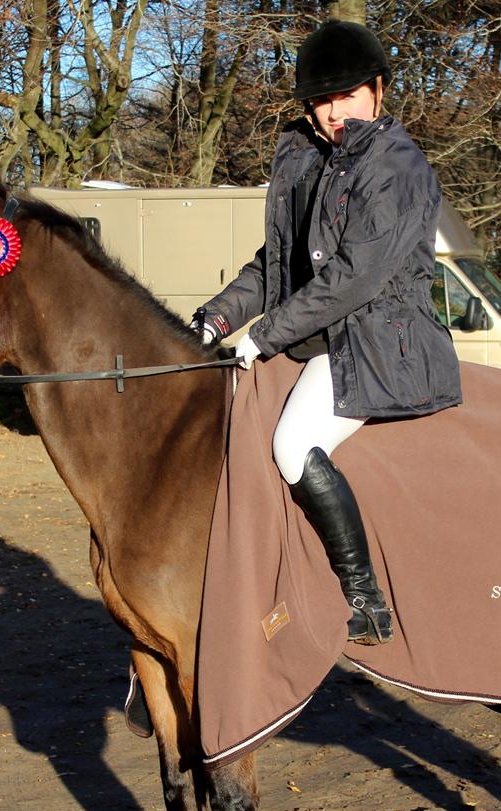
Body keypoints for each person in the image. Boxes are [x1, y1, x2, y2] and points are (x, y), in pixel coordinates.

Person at [195, 19, 462, 645]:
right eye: (322, 99)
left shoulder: (394, 165)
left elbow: (354, 276)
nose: (334, 110)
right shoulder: (309, 159)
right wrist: (216, 317)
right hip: (319, 335)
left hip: (376, 341)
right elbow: (277, 263)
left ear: (377, 91)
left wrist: (263, 337)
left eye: (347, 96)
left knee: (293, 445)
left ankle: (364, 596)